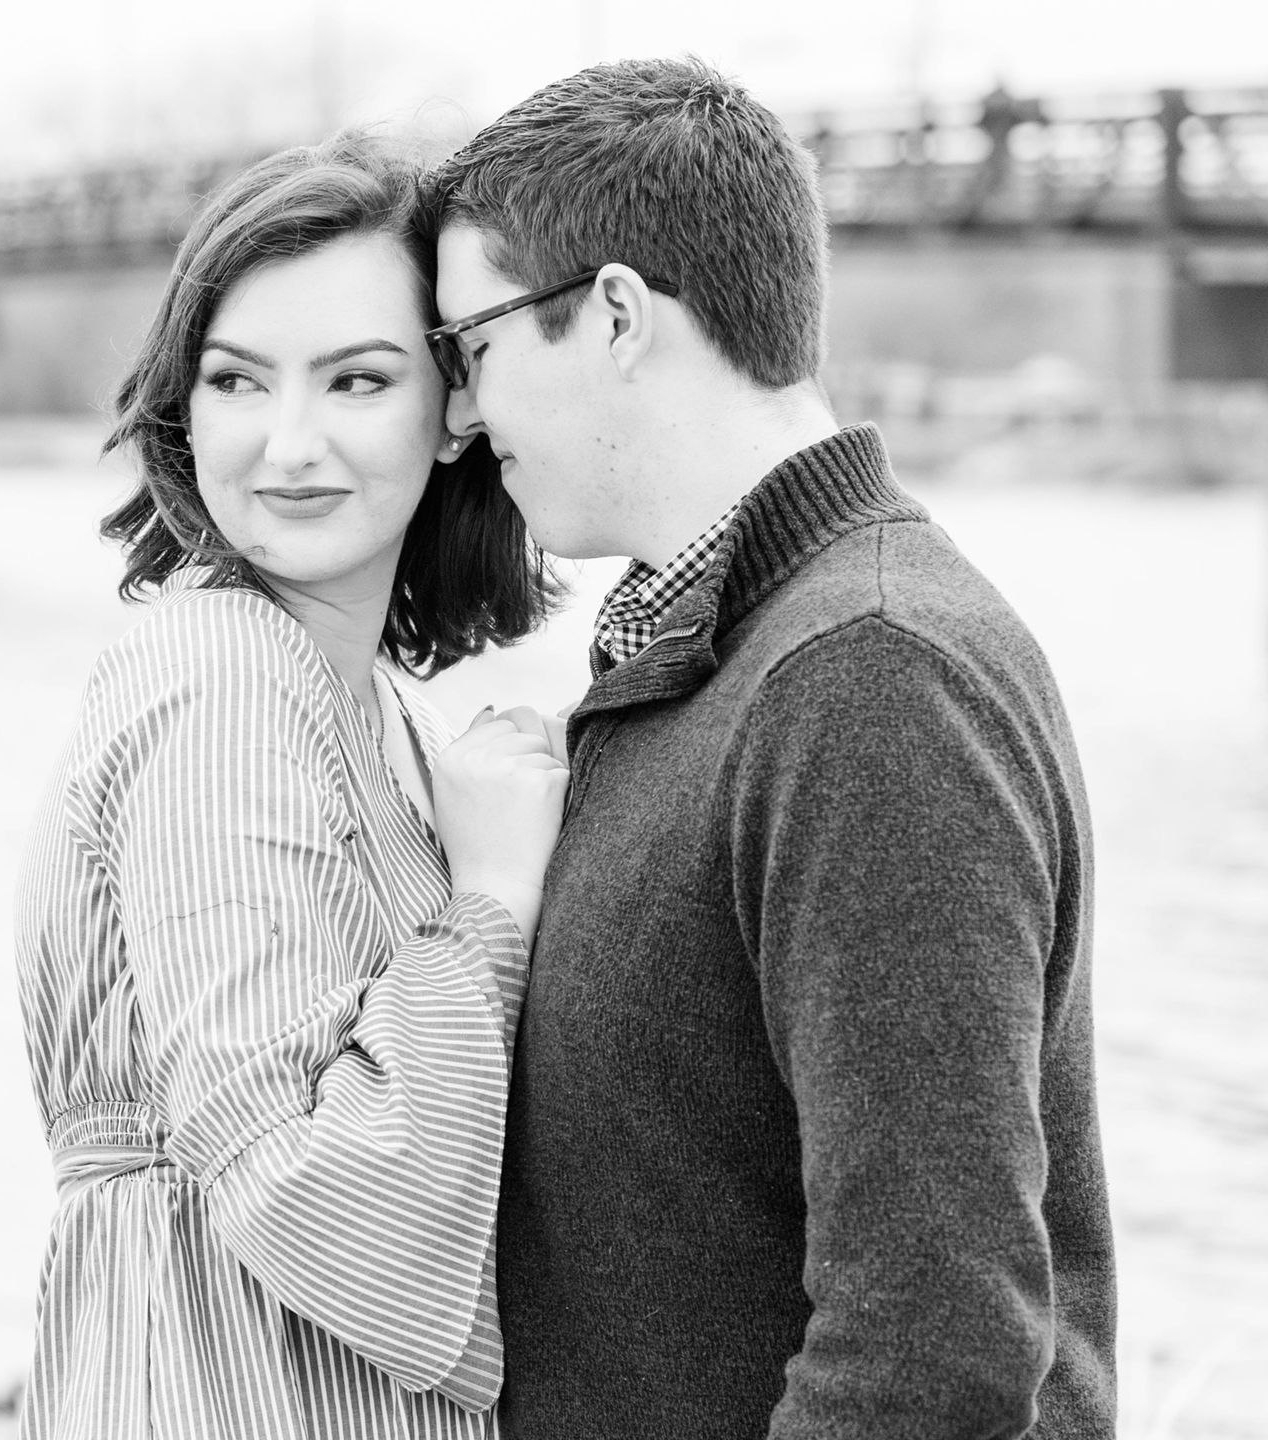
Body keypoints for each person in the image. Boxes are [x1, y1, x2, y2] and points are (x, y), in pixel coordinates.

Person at [422, 59, 1117, 1438]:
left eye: (471, 349)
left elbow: (930, 1347)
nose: (457, 415)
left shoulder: (868, 680)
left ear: (616, 315)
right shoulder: (746, 660)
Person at [16, 133, 567, 1438]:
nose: (288, 444)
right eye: (237, 381)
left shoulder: (375, 708)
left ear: (455, 408)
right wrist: (493, 902)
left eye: (357, 380)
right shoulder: (221, 673)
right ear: (184, 406)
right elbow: (305, 1186)